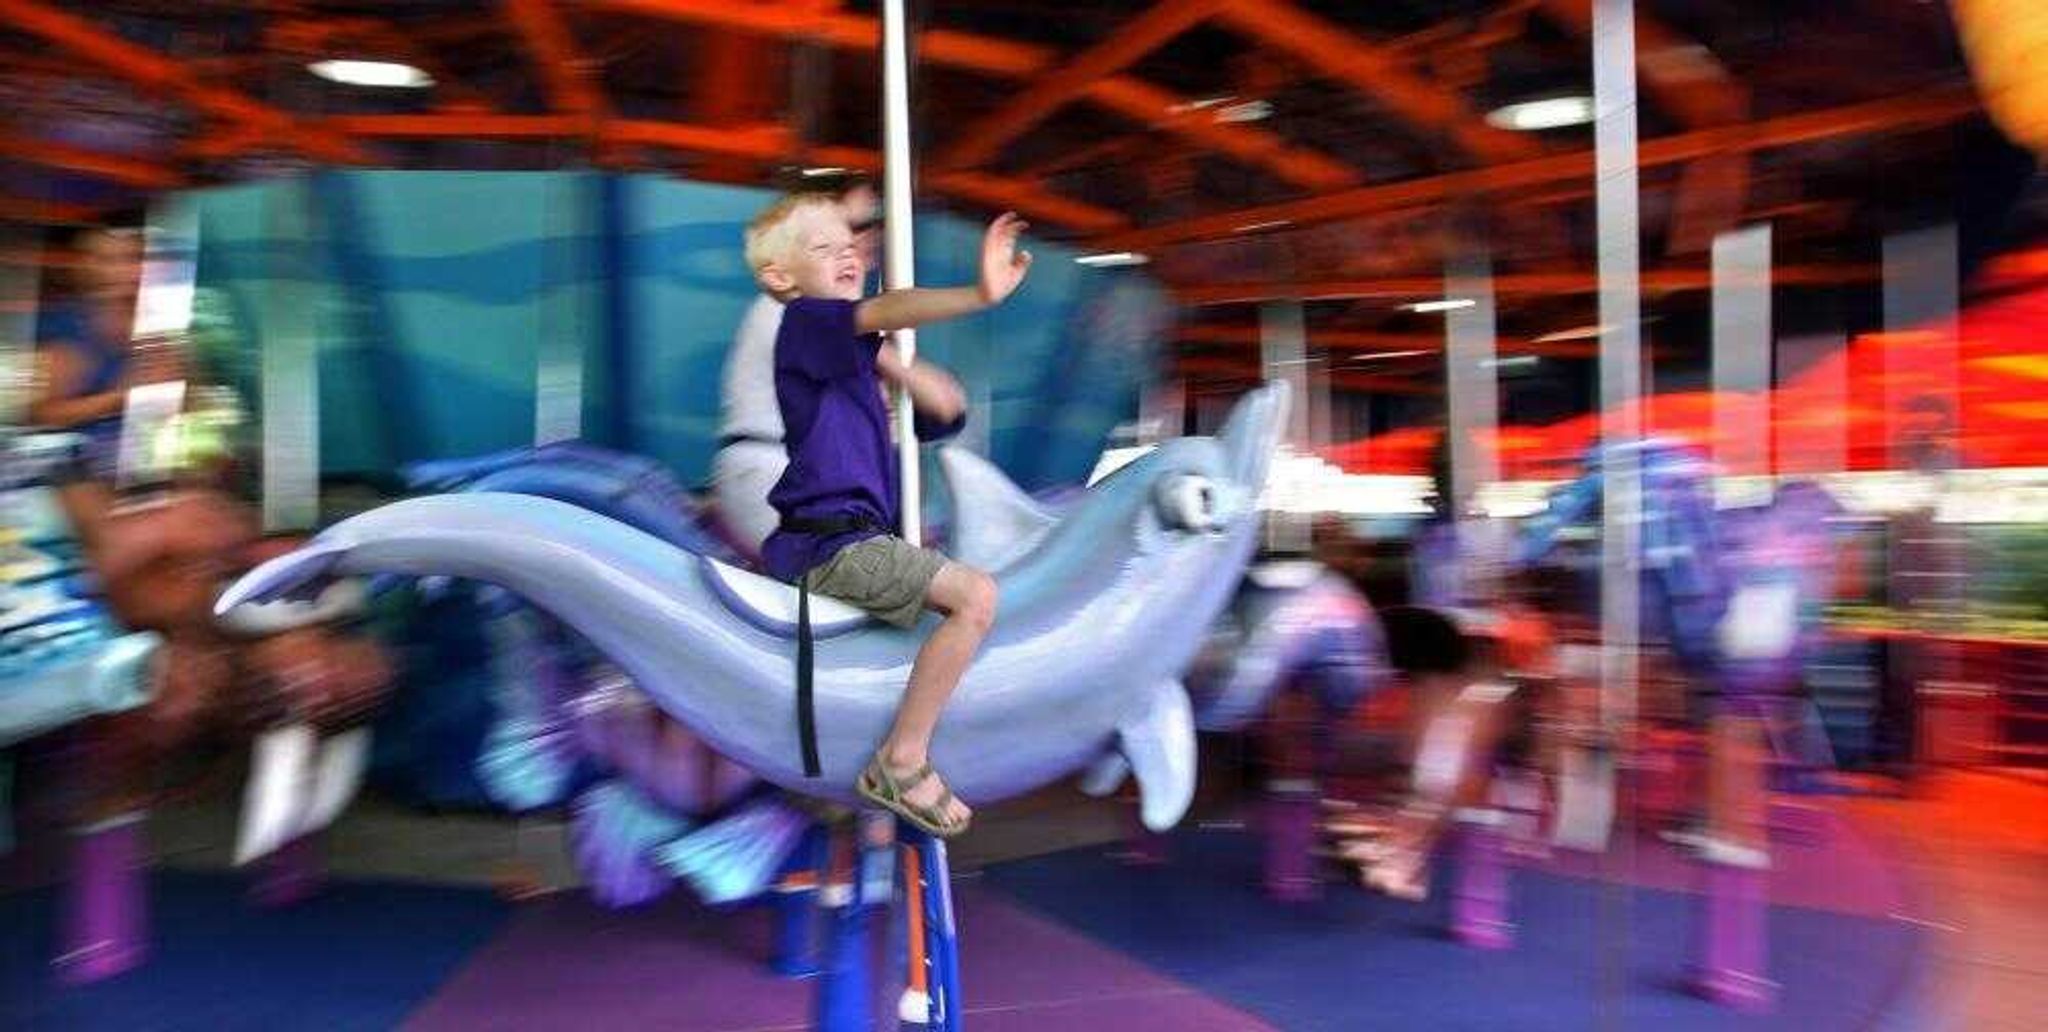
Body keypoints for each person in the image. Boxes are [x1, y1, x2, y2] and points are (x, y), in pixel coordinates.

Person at [744, 193, 1029, 836]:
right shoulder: (805, 324)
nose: (847, 251)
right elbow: (881, 309)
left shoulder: (852, 367)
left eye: (849, 243)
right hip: (830, 542)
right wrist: (977, 295)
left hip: (861, 533)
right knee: (975, 597)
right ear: (780, 277)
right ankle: (901, 761)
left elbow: (948, 410)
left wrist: (883, 357)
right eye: (824, 247)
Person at [714, 177, 880, 554]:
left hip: (777, 470)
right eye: (850, 229)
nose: (864, 240)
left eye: (869, 228)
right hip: (775, 473)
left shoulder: (796, 309)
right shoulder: (799, 312)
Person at [28, 218, 185, 483]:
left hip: (138, 467)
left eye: (132, 258)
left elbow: (172, 408)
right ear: (86, 264)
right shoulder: (62, 327)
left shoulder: (156, 324)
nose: (121, 271)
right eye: (106, 259)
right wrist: (119, 398)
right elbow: (38, 416)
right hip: (69, 475)